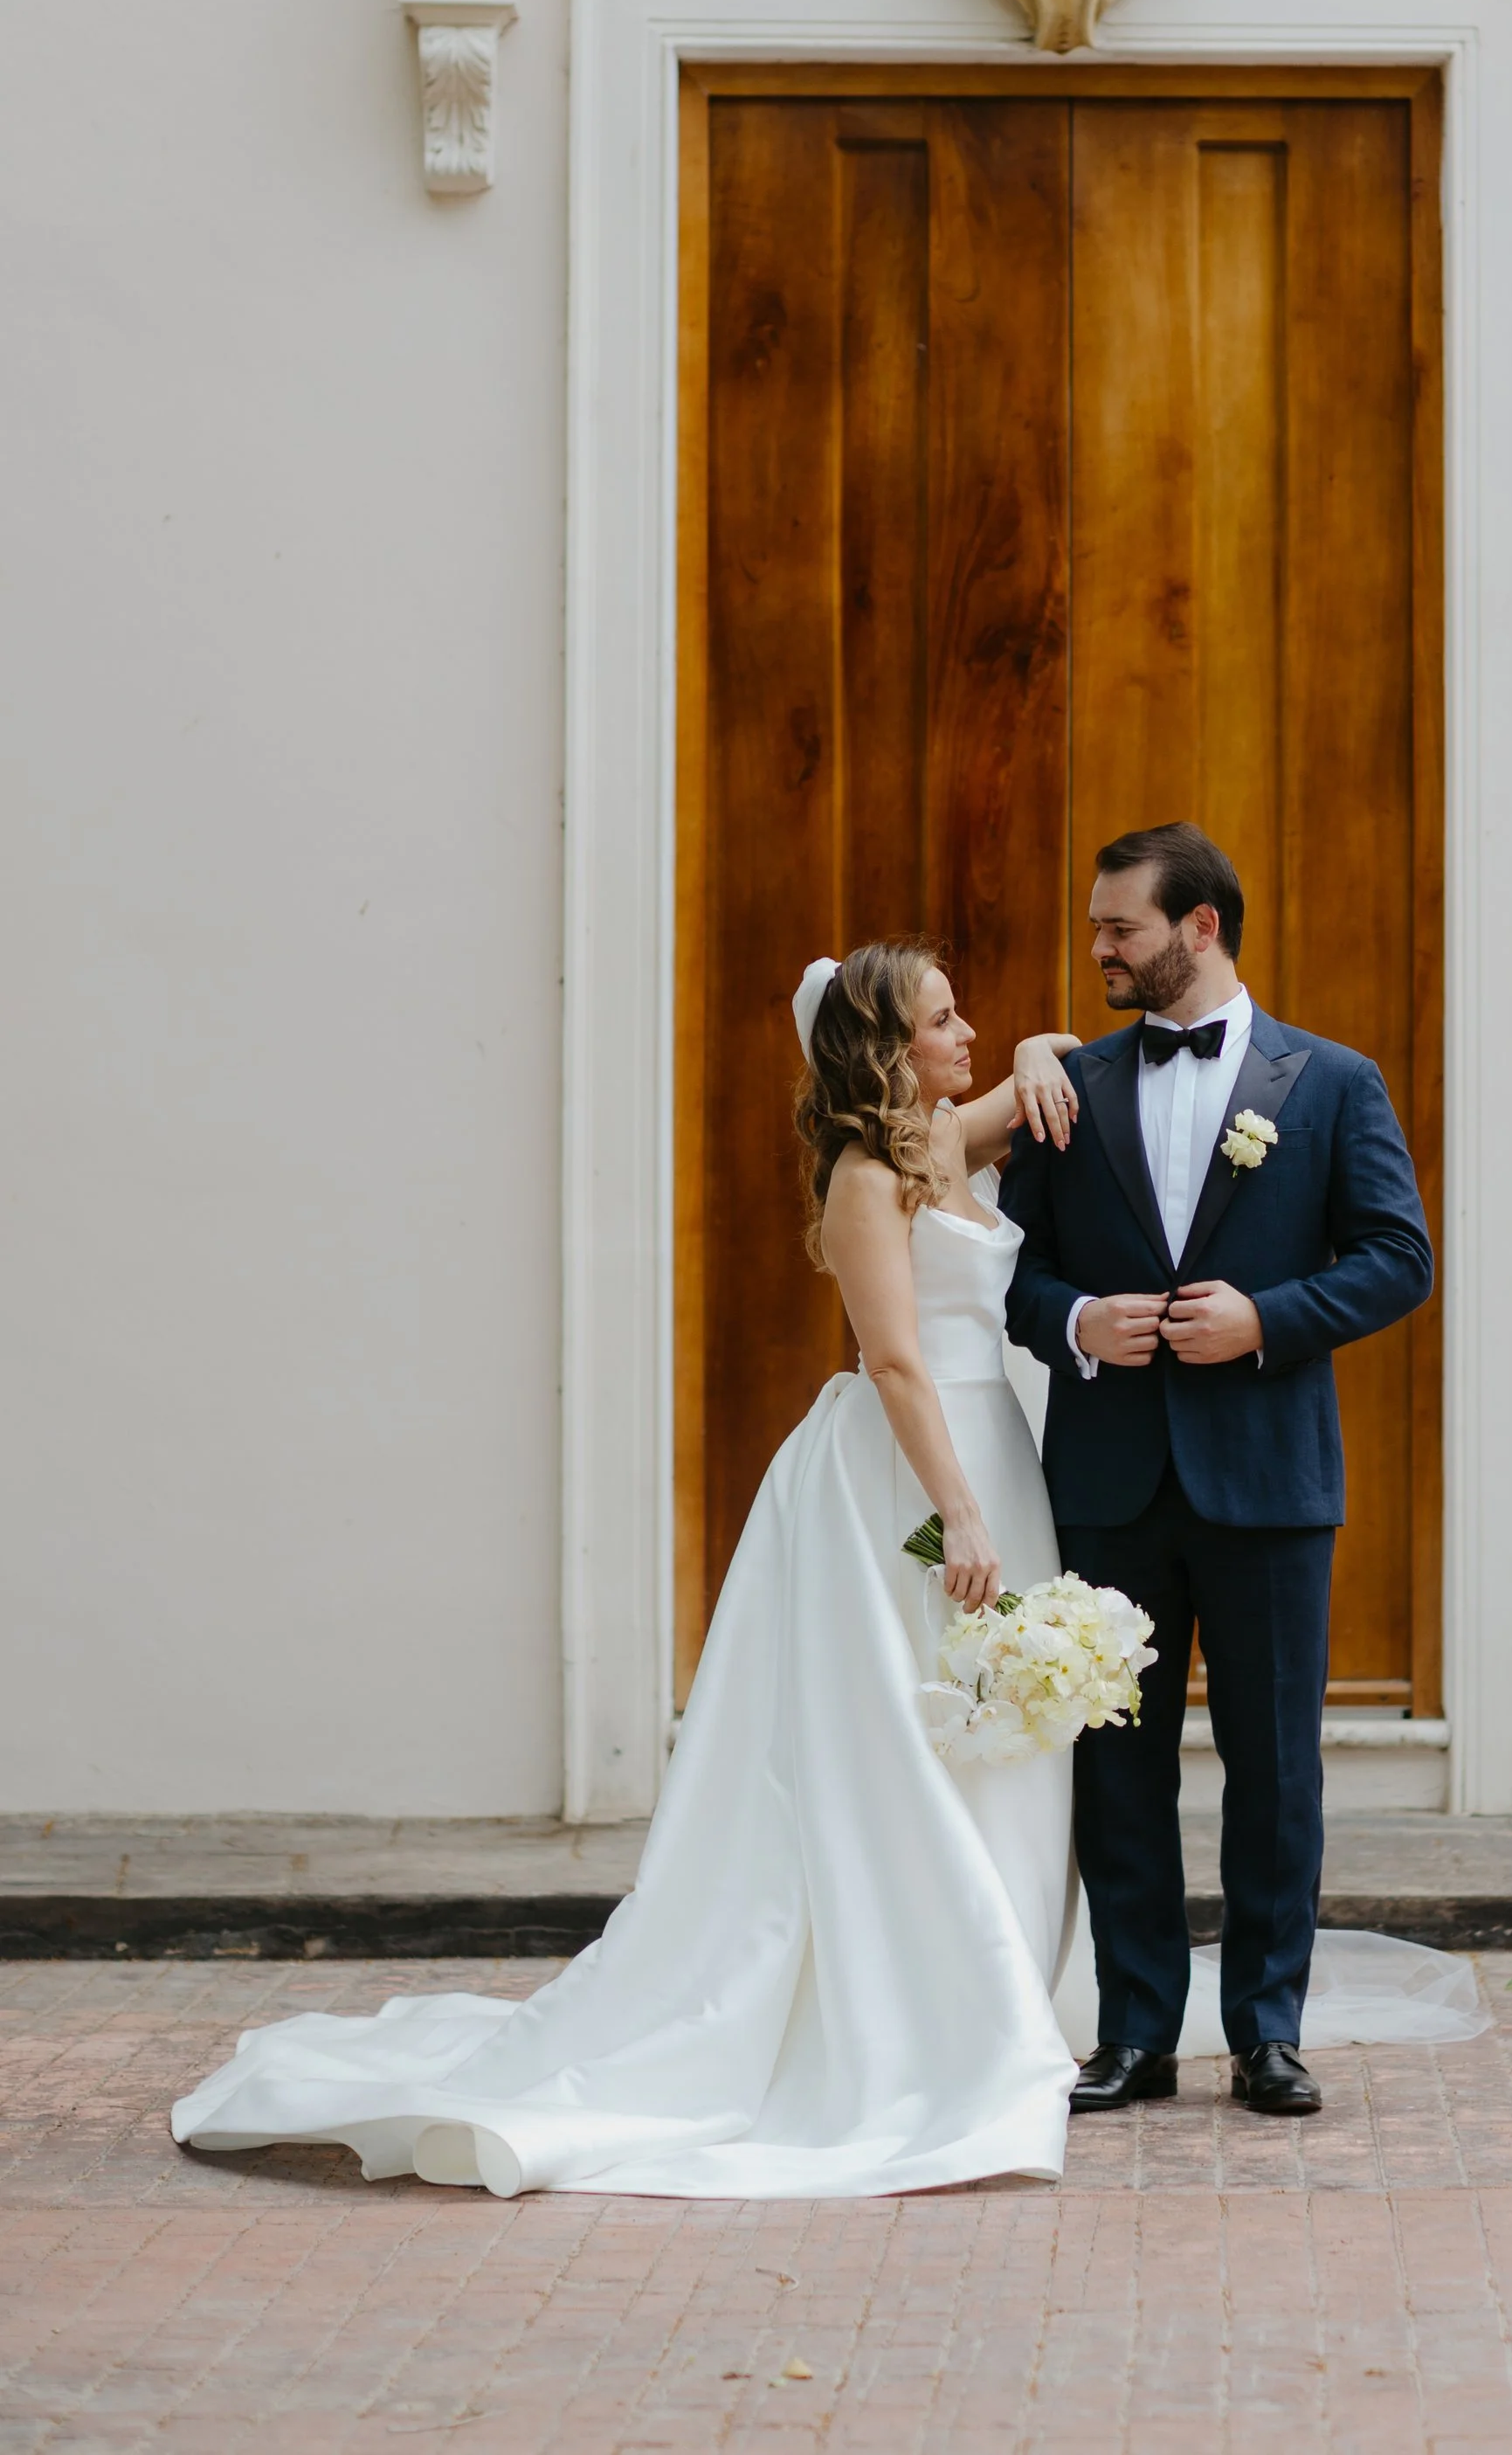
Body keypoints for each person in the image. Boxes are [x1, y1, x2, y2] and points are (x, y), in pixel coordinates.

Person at [173, 946, 1091, 2196]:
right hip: (916, 1479)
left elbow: (1037, 1078)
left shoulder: (937, 1138)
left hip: (994, 1456)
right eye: (943, 1018)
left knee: (998, 1730)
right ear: (890, 1047)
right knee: (905, 1738)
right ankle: (934, 2014)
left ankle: (1005, 1983)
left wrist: (1043, 1050)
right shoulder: (868, 1178)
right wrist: (964, 1515)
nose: (968, 1031)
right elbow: (896, 1364)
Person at [1003, 823, 1436, 2120]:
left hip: (1268, 1482)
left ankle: (1269, 2033)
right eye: (1096, 927)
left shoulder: (1333, 1081)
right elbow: (1007, 1272)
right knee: (1117, 1773)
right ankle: (1134, 2033)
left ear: (1200, 928)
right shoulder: (1064, 1086)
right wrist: (1078, 1322)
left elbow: (1398, 1255)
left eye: (1120, 927)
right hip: (1109, 1483)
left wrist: (1271, 1319)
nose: (1100, 949)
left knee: (1276, 1766)